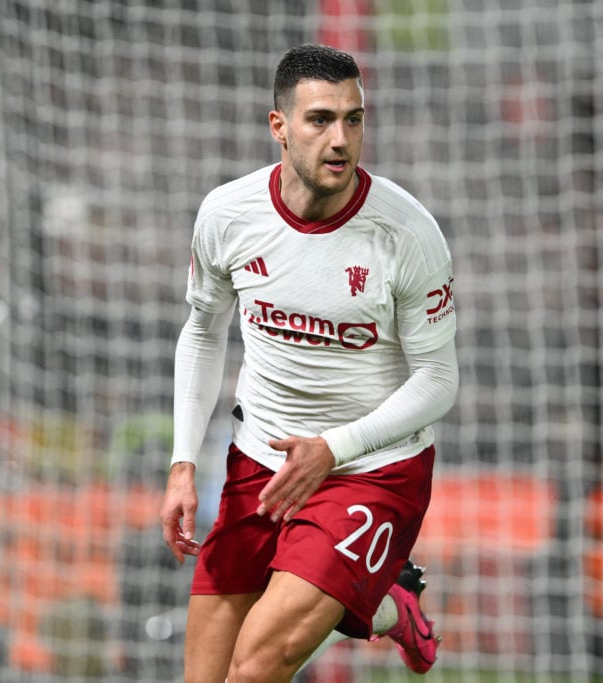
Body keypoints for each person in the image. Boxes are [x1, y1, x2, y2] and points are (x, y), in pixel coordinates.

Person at [159, 43, 458, 682]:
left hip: (373, 469)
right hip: (260, 463)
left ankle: (372, 593)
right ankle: (386, 604)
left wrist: (333, 447)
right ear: (279, 127)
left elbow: (438, 378)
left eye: (353, 118)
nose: (341, 138)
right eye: (320, 119)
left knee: (257, 664)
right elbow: (203, 334)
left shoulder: (407, 233)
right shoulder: (228, 214)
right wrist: (184, 465)